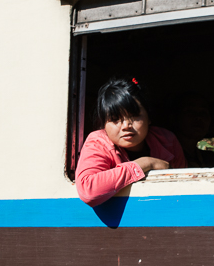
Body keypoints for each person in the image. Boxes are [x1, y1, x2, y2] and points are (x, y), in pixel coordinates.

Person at [75, 78, 185, 207]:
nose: (126, 125)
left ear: (149, 117)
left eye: (134, 116)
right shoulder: (98, 142)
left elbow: (184, 188)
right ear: (103, 124)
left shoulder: (167, 140)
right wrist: (145, 163)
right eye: (115, 119)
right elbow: (89, 189)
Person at [173, 92, 214, 168]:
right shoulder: (166, 155)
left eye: (203, 113)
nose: (198, 117)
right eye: (190, 112)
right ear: (175, 117)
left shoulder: (210, 159)